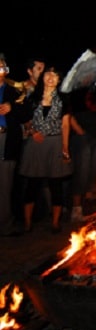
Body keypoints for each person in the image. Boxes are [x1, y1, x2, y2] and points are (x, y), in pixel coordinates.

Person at [19, 66, 72, 233]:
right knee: (32, 185)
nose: (51, 78)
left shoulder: (63, 99)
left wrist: (65, 148)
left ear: (59, 80)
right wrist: (32, 131)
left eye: (55, 75)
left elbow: (65, 125)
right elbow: (25, 119)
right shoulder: (32, 97)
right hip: (36, 144)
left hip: (55, 142)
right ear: (43, 77)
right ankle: (27, 223)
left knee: (55, 184)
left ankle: (55, 222)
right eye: (48, 74)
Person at [0, 55, 29, 236]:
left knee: (4, 185)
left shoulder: (14, 91)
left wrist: (12, 108)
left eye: (1, 65)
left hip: (6, 141)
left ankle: (5, 225)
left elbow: (26, 113)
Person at [68, 86, 96, 222]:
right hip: (81, 136)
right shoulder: (76, 87)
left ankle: (88, 207)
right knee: (81, 172)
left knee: (93, 171)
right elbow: (67, 111)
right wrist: (78, 130)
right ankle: (76, 209)